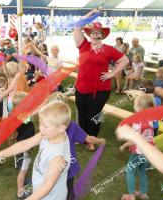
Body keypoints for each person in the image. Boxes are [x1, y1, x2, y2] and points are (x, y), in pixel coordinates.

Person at [0, 101, 72, 200]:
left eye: (45, 126)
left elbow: (47, 187)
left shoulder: (58, 158)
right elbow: (26, 144)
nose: (41, 128)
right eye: (40, 123)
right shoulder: (50, 134)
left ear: (61, 128)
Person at [73, 9, 129, 150]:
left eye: (99, 33)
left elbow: (125, 60)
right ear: (89, 35)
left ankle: (92, 141)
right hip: (81, 88)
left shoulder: (109, 49)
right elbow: (77, 26)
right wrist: (91, 14)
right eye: (93, 32)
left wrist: (112, 73)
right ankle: (84, 138)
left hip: (100, 90)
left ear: (102, 35)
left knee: (94, 115)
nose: (96, 34)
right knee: (83, 114)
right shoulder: (83, 45)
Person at [46, 92, 106, 200]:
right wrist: (100, 140)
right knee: (67, 192)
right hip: (66, 167)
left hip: (53, 167)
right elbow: (88, 139)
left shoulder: (46, 127)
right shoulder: (71, 126)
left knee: (54, 190)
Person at [119, 94, 155, 200]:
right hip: (148, 151)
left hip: (138, 151)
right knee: (142, 171)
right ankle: (144, 194)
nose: (134, 106)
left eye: (135, 104)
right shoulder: (151, 119)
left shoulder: (138, 122)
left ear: (141, 108)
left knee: (130, 170)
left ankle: (131, 195)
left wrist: (125, 145)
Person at [11, 91, 36, 199]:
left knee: (23, 165)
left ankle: (25, 180)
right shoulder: (22, 116)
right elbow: (31, 116)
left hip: (24, 144)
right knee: (23, 170)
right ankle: (20, 192)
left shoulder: (17, 114)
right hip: (23, 146)